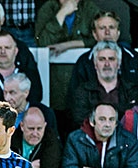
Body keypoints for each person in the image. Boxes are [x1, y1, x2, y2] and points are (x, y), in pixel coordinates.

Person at [35, 0, 100, 137]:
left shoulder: (89, 8)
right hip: (54, 86)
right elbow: (43, 41)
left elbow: (98, 39)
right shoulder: (48, 8)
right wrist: (62, 13)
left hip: (82, 84)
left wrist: (67, 45)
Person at [69, 11, 138, 109]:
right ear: (94, 34)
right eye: (102, 28)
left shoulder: (134, 59)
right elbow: (75, 100)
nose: (107, 32)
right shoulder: (84, 62)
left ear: (118, 33)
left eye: (111, 27)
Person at [71, 41, 138, 130]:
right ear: (95, 64)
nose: (107, 64)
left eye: (111, 59)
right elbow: (80, 121)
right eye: (102, 59)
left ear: (118, 64)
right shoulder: (83, 92)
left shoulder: (133, 91)